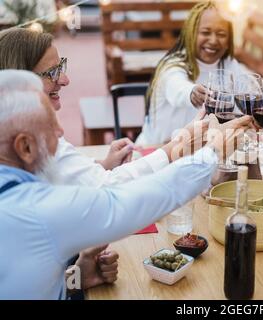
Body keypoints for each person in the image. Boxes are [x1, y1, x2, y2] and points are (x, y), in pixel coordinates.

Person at [0, 70, 248, 299]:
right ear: (25, 147)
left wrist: (77, 279)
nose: (61, 130)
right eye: (50, 125)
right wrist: (213, 153)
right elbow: (125, 201)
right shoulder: (38, 209)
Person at [0, 27, 211, 187]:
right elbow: (108, 191)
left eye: (61, 66)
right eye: (52, 72)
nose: (65, 80)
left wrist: (103, 164)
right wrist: (179, 147)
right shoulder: (33, 138)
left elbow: (62, 175)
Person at [136, 1, 244, 146]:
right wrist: (192, 92)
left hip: (202, 152)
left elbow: (246, 97)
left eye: (221, 34)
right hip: (157, 150)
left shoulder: (230, 65)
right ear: (191, 33)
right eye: (205, 32)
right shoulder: (173, 65)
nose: (213, 40)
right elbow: (177, 87)